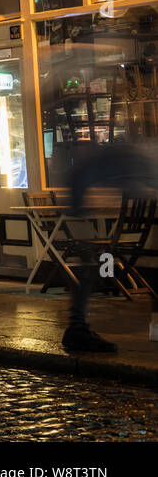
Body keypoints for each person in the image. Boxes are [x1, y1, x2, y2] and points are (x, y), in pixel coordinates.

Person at [62, 139, 158, 352]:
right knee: (89, 264)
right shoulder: (144, 162)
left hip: (85, 193)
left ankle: (77, 329)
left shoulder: (144, 159)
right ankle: (77, 329)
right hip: (83, 195)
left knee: (90, 264)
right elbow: (137, 189)